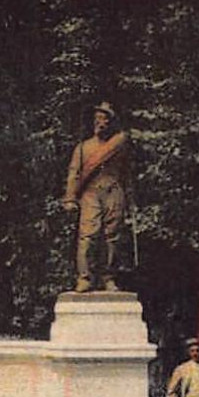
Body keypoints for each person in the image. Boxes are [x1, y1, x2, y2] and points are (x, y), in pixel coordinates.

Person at [62, 102, 130, 293]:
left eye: (105, 118)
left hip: (114, 191)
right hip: (90, 193)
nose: (101, 122)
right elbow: (74, 173)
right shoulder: (83, 148)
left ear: (111, 122)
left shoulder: (119, 144)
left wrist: (130, 197)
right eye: (98, 118)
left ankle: (108, 277)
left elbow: (127, 172)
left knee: (112, 237)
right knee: (88, 236)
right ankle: (85, 278)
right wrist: (70, 197)